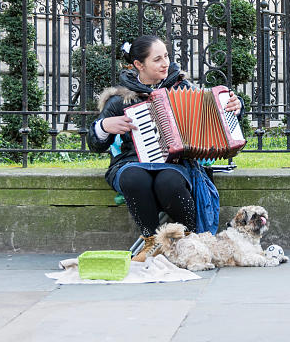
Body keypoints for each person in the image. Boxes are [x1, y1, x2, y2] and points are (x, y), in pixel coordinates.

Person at [87, 35, 243, 261]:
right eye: (157, 59)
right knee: (134, 177)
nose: (165, 63)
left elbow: (216, 113)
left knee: (168, 181)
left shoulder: (182, 88)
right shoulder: (120, 100)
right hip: (130, 162)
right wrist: (103, 126)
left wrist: (235, 106)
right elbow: (95, 144)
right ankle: (151, 240)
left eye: (166, 56)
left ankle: (188, 240)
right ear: (139, 65)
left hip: (175, 162)